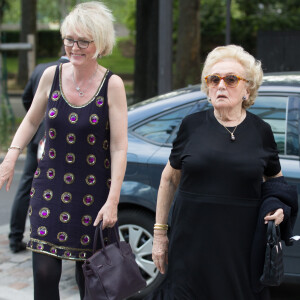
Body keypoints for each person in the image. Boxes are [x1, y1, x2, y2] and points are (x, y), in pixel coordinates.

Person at [0, 2, 127, 300]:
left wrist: (113, 200)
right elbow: (31, 119)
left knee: (90, 278)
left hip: (94, 190)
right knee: (44, 273)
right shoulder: (51, 76)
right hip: (50, 186)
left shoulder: (113, 85)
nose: (74, 47)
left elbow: (120, 147)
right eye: (69, 39)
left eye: (83, 41)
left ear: (101, 44)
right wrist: (11, 156)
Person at [150, 45, 292, 300]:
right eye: (213, 79)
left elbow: (275, 181)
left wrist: (278, 207)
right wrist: (160, 235)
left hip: (240, 247)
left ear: (247, 88)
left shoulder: (262, 131)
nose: (221, 85)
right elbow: (169, 178)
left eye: (231, 79)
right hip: (191, 244)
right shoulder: (191, 126)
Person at [8, 50, 69, 253]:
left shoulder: (40, 69)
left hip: (36, 137)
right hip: (56, 141)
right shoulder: (63, 73)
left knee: (26, 185)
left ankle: (15, 237)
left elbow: (27, 99)